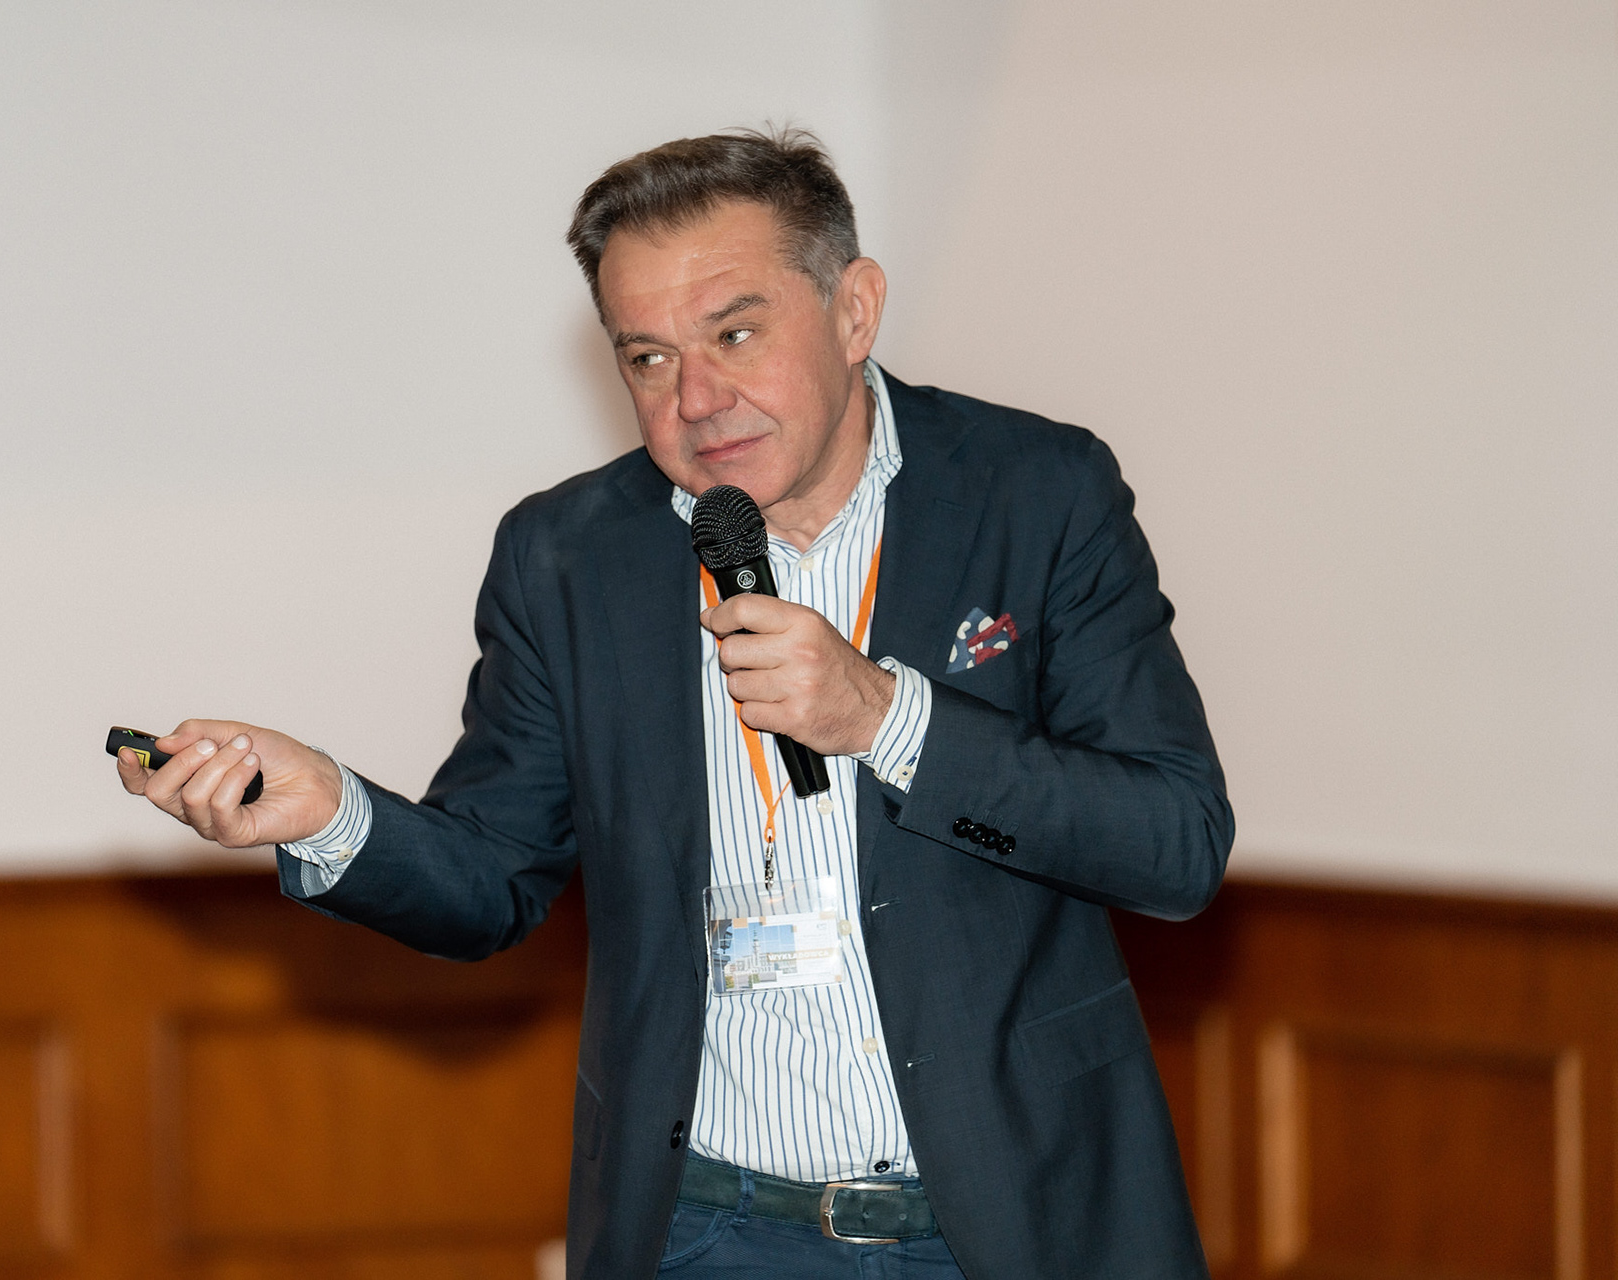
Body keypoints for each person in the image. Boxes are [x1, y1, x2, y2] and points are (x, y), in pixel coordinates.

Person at [118, 128, 1232, 1278]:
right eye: (647, 357)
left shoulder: (1036, 491)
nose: (697, 398)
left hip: (1018, 1212)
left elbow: (1176, 841)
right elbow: (492, 876)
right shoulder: (568, 556)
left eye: (734, 333)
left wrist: (883, 717)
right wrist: (330, 811)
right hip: (714, 1228)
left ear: (854, 310)